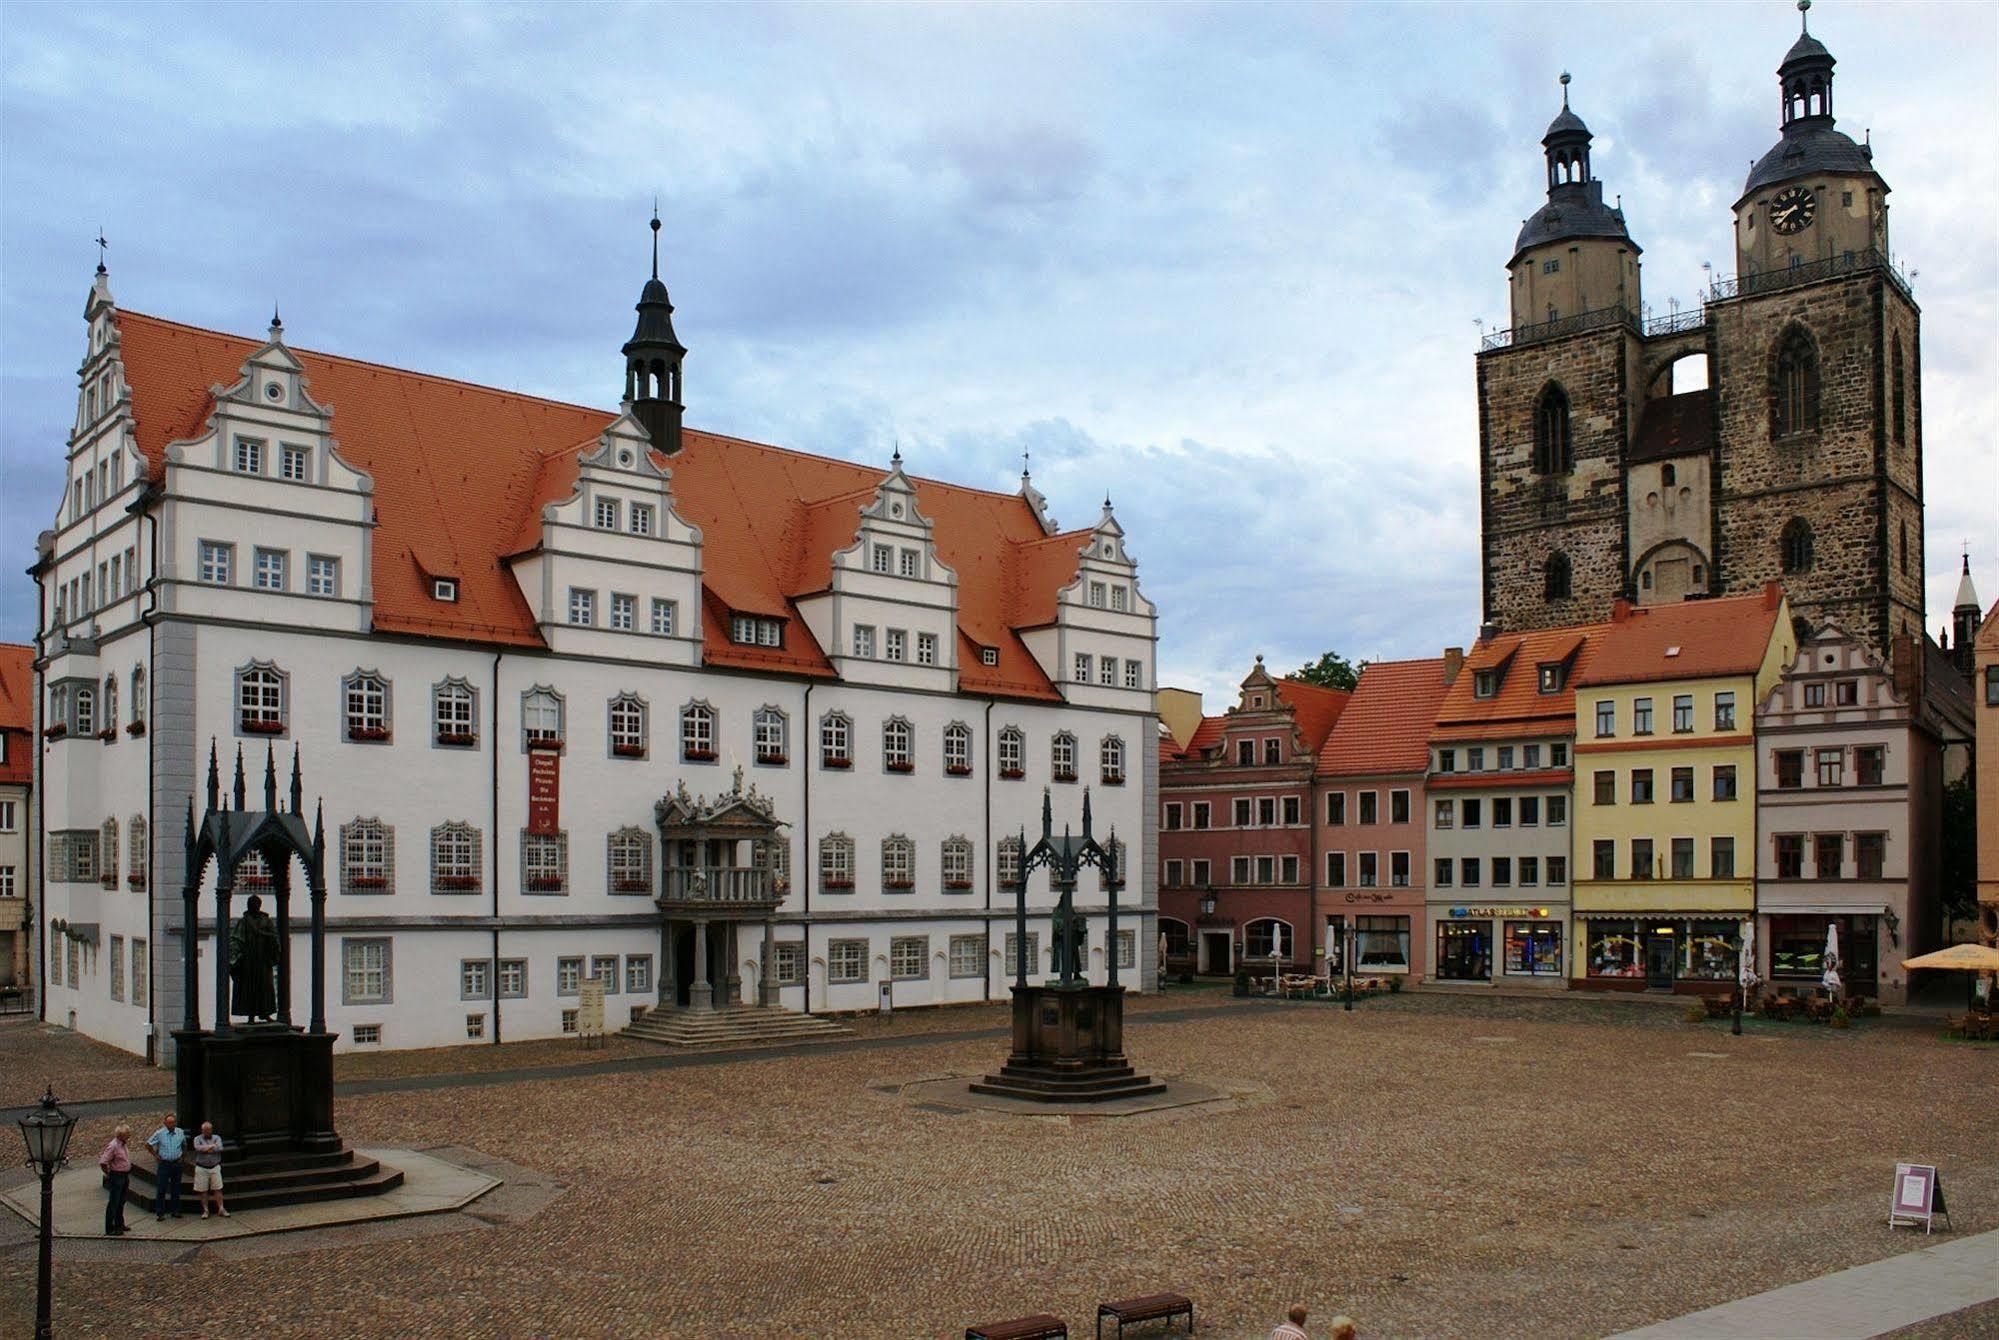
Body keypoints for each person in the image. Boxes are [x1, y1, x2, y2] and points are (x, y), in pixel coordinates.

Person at [229, 893, 281, 1021]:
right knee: (249, 987)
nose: (253, 906)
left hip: (263, 959)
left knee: (265, 986)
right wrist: (235, 957)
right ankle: (251, 1015)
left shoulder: (266, 920)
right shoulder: (244, 921)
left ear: (259, 905)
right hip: (248, 960)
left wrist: (273, 949)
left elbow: (274, 936)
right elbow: (236, 939)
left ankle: (265, 1012)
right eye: (251, 904)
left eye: (255, 904)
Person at [145, 1113, 188, 1220]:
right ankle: (160, 1212)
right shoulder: (160, 1133)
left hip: (176, 1164)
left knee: (176, 1188)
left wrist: (183, 1157)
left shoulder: (180, 1132)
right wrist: (155, 1155)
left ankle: (175, 1211)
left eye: (173, 1122)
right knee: (161, 1189)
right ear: (165, 1123)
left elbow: (184, 1145)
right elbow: (148, 1144)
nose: (171, 1124)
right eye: (169, 1122)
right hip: (164, 1164)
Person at [98, 1124, 133, 1236]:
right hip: (117, 1176)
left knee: (121, 1201)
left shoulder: (122, 1145)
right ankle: (110, 1227)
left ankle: (119, 1223)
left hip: (124, 1176)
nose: (129, 1135)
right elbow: (103, 1161)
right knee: (114, 1203)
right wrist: (109, 1174)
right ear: (122, 1135)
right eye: (127, 1133)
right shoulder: (113, 1146)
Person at [191, 1121, 228, 1218]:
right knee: (203, 1190)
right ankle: (206, 1210)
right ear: (202, 1130)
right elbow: (198, 1148)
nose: (207, 1132)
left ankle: (221, 1208)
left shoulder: (217, 1137)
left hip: (215, 1167)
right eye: (205, 1130)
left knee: (218, 1188)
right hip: (201, 1168)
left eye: (209, 1130)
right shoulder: (197, 1138)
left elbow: (219, 1148)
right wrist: (212, 1146)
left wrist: (206, 1149)